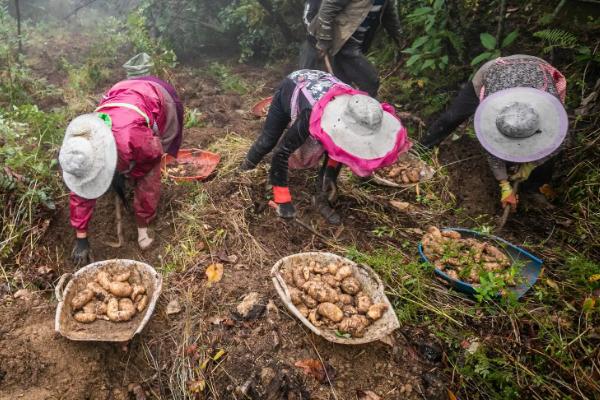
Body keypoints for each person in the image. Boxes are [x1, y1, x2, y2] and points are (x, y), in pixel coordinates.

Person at [240, 69, 411, 224]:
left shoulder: (362, 113)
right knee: (268, 141)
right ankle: (244, 170)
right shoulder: (311, 114)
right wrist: (282, 200)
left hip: (323, 89)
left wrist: (329, 177)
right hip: (294, 86)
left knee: (336, 150)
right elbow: (281, 153)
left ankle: (320, 198)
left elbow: (339, 152)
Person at [58, 77, 183, 265]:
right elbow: (80, 190)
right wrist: (81, 238)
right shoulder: (78, 146)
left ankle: (144, 225)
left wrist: (130, 172)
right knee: (122, 168)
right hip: (120, 95)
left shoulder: (131, 139)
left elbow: (149, 169)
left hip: (156, 97)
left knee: (145, 172)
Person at [421, 54, 568, 210]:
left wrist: (531, 165)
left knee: (548, 146)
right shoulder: (492, 110)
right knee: (452, 117)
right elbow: (490, 142)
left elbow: (562, 140)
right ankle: (422, 149)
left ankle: (533, 188)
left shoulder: (549, 110)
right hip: (495, 72)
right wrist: (504, 184)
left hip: (538, 74)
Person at [300, 0, 403, 97]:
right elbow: (324, 9)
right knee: (369, 80)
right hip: (334, 40)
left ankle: (354, 108)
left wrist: (400, 39)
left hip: (349, 42)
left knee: (343, 83)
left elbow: (390, 18)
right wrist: (323, 40)